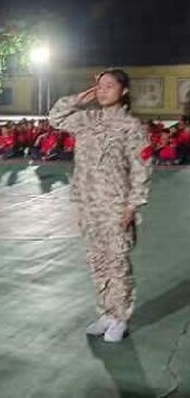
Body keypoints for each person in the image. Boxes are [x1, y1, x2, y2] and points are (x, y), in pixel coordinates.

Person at [49, 68, 152, 343]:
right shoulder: (87, 119)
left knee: (117, 262)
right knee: (97, 261)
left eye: (109, 85)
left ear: (124, 91)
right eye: (99, 86)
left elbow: (142, 170)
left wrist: (132, 206)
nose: (103, 90)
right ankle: (106, 312)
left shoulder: (132, 127)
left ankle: (120, 318)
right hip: (88, 204)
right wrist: (77, 99)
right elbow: (55, 118)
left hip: (115, 206)